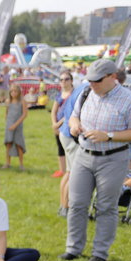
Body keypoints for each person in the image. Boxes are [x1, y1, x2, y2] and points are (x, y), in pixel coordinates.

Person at [62, 58, 131, 261]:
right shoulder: (86, 92)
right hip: (84, 154)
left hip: (114, 158)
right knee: (77, 204)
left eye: (97, 80)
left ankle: (100, 253)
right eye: (90, 79)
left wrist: (108, 135)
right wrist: (74, 126)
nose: (92, 84)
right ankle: (73, 248)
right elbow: (73, 116)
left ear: (112, 77)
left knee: (106, 206)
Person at [52, 71, 79, 217]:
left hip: (65, 132)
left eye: (66, 79)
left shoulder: (74, 93)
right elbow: (67, 114)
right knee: (72, 173)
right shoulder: (76, 96)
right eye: (61, 79)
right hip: (69, 134)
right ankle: (65, 206)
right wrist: (55, 124)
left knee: (68, 172)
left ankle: (63, 205)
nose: (64, 81)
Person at [3, 83, 28, 170]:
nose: (13, 93)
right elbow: (7, 112)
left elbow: (24, 114)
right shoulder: (8, 101)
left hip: (18, 126)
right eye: (12, 91)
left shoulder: (22, 101)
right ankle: (7, 162)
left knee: (18, 144)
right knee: (8, 143)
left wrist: (16, 124)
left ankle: (21, 164)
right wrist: (8, 122)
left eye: (15, 91)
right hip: (9, 125)